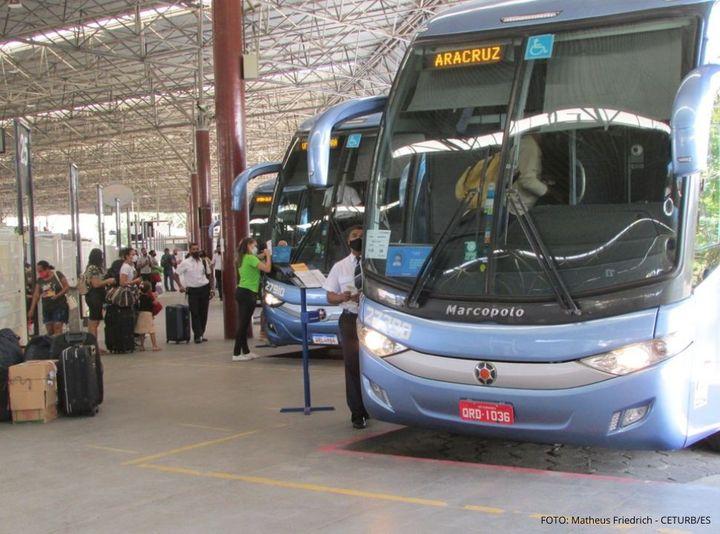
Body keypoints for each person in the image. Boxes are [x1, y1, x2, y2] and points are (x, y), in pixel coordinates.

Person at [324, 226, 369, 429]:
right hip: (350, 319)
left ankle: (374, 406)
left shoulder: (375, 265)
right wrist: (341, 297)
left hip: (372, 321)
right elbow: (329, 295)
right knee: (352, 366)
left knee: (374, 365)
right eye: (354, 236)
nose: (358, 239)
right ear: (348, 241)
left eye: (361, 236)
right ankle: (357, 413)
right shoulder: (340, 267)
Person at [233, 237, 272, 361]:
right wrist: (268, 256)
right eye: (254, 245)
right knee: (243, 325)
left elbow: (257, 258)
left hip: (242, 291)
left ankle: (246, 351)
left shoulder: (242, 257)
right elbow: (267, 268)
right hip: (248, 293)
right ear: (249, 246)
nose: (255, 248)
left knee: (243, 324)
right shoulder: (250, 258)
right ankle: (236, 353)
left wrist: (263, 254)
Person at [173, 243, 214, 343]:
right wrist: (180, 286)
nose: (196, 251)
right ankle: (197, 335)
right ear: (190, 251)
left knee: (204, 313)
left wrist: (211, 289)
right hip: (192, 291)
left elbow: (209, 276)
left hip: (204, 289)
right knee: (195, 313)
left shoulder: (203, 261)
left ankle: (201, 333)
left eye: (197, 249)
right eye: (193, 249)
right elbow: (176, 274)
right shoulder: (185, 263)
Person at [83, 248, 116, 349]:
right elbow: (96, 284)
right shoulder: (93, 268)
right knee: (94, 322)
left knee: (94, 321)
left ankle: (93, 345)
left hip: (93, 296)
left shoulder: (92, 267)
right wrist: (108, 281)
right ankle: (93, 346)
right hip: (94, 296)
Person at [27, 261, 70, 336]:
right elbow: (36, 295)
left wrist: (58, 295)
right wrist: (32, 309)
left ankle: (58, 346)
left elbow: (66, 287)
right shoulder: (40, 280)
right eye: (38, 272)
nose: (40, 273)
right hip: (47, 308)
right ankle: (51, 344)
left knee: (57, 327)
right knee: (50, 330)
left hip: (59, 306)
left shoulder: (57, 274)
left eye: (41, 271)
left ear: (47, 269)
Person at [135, 282, 161, 352]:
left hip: (140, 314)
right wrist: (155, 297)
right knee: (151, 330)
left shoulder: (139, 297)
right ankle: (154, 346)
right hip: (148, 314)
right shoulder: (148, 297)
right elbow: (155, 303)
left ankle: (142, 346)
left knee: (142, 331)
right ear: (149, 290)